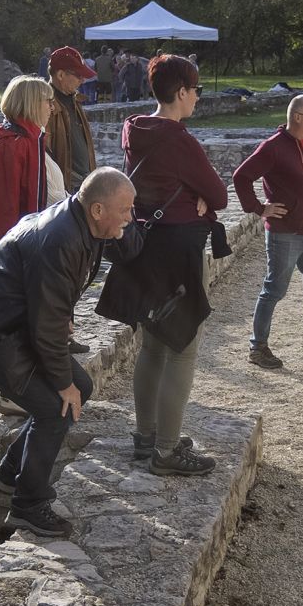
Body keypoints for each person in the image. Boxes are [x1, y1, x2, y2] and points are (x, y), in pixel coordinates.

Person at [0, 167, 144, 538]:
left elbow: (51, 303)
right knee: (56, 408)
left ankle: (11, 473)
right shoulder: (60, 238)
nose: (130, 217)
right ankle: (28, 504)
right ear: (98, 210)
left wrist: (125, 228)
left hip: (15, 325)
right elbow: (46, 327)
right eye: (125, 209)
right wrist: (61, 383)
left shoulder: (84, 223)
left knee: (81, 389)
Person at [96, 54, 229, 476]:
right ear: (182, 92)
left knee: (153, 345)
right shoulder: (179, 139)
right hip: (176, 251)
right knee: (183, 348)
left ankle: (146, 437)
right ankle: (167, 451)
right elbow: (219, 195)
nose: (197, 99)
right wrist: (199, 200)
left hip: (144, 247)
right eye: (196, 91)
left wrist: (195, 197)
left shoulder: (134, 129)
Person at [234, 93, 303, 369]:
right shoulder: (273, 147)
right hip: (284, 233)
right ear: (297, 117)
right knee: (274, 289)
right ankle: (257, 348)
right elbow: (241, 177)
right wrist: (259, 208)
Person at [0, 74, 54, 255]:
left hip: (28, 238)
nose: (52, 107)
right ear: (31, 103)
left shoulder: (30, 139)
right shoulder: (11, 144)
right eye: (48, 101)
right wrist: (10, 255)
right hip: (15, 247)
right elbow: (5, 209)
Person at [42, 47, 98, 192]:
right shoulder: (45, 106)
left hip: (83, 182)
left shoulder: (74, 99)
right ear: (60, 75)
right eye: (78, 75)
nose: (83, 80)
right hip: (65, 188)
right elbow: (45, 155)